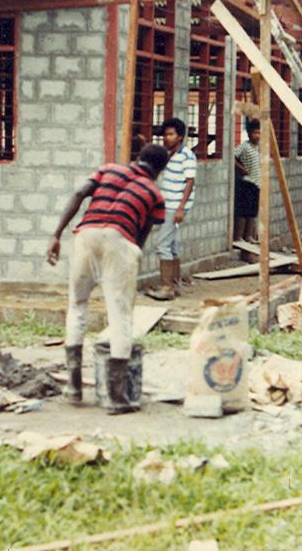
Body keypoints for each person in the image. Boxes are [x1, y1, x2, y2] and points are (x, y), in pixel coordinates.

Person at [46, 144, 169, 414]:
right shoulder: (154, 194)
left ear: (137, 157)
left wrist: (56, 234)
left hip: (85, 234)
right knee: (120, 315)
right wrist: (133, 254)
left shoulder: (109, 169)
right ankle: (116, 397)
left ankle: (74, 388)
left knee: (77, 305)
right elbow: (142, 233)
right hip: (120, 240)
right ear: (160, 170)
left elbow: (79, 192)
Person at [146, 118, 196, 301]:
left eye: (171, 134)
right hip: (169, 205)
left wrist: (180, 209)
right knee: (172, 245)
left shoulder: (187, 156)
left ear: (180, 136)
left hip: (175, 206)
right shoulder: (169, 154)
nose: (167, 138)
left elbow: (190, 182)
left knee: (162, 245)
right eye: (165, 134)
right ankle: (174, 285)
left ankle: (166, 287)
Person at [233, 119, 262, 243]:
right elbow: (232, 156)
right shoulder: (245, 146)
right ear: (249, 134)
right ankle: (239, 237)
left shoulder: (260, 148)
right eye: (255, 133)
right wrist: (242, 168)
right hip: (246, 183)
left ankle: (248, 236)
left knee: (252, 212)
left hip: (256, 184)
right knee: (243, 211)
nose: (257, 135)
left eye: (259, 133)